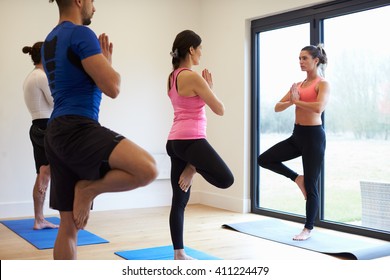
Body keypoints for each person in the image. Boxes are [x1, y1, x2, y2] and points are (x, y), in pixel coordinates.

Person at [42, 0, 158, 259]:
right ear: (79, 1)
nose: (94, 8)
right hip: (77, 128)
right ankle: (88, 189)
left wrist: (100, 66)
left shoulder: (50, 40)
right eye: (92, 1)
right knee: (148, 168)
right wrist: (108, 64)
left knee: (68, 227)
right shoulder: (82, 33)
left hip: (56, 133)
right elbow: (113, 88)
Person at [166, 30, 234, 260]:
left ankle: (179, 253)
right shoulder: (193, 77)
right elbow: (220, 109)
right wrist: (209, 88)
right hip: (191, 140)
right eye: (200, 48)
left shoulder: (172, 76)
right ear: (191, 49)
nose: (201, 53)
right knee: (226, 179)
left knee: (179, 200)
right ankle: (192, 167)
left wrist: (205, 89)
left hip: (175, 141)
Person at [257, 45, 330, 241]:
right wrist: (292, 100)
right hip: (297, 135)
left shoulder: (322, 84)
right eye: (299, 58)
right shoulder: (297, 85)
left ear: (316, 60)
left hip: (314, 137)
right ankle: (297, 178)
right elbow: (277, 107)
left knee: (312, 185)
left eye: (304, 58)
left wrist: (297, 102)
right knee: (264, 159)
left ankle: (308, 228)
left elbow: (318, 107)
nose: (301, 61)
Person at [22, 42, 58, 230]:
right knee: (45, 173)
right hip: (45, 126)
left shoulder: (31, 77)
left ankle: (39, 218)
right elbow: (54, 102)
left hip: (37, 126)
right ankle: (39, 218)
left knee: (43, 172)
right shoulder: (42, 76)